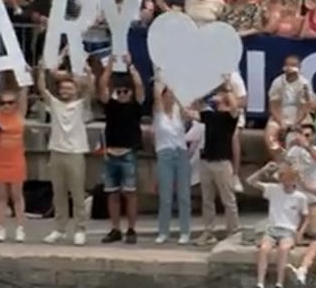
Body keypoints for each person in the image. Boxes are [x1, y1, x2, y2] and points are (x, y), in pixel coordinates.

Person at [34, 59, 93, 246]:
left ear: (75, 91)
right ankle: (59, 229)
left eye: (69, 88)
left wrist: (88, 73)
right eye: (63, 89)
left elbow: (90, 90)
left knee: (77, 194)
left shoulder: (81, 105)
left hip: (75, 153)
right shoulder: (55, 104)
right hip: (57, 152)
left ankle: (80, 229)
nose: (65, 91)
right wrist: (42, 71)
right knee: (58, 193)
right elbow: (42, 89)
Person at [98, 55, 146, 244]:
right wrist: (108, 67)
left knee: (131, 194)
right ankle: (115, 228)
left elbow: (141, 87)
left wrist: (131, 66)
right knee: (112, 193)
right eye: (120, 91)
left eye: (126, 91)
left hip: (128, 153)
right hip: (111, 153)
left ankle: (132, 229)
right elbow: (102, 87)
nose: (123, 94)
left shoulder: (135, 106)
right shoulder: (110, 106)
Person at [246, 162, 309, 288]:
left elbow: (305, 218)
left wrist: (300, 233)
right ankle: (260, 284)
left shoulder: (300, 197)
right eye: (283, 178)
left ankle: (279, 284)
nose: (285, 181)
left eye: (288, 178)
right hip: (272, 229)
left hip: (288, 230)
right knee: (264, 249)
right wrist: (263, 169)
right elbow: (250, 181)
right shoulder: (273, 189)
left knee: (283, 249)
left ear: (294, 180)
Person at [152, 79, 198, 245]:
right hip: (164, 154)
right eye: (167, 95)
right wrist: (161, 79)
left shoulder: (180, 113)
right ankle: (163, 231)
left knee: (184, 195)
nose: (169, 97)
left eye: (172, 95)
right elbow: (156, 96)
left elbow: (189, 111)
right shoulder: (158, 114)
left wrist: (178, 96)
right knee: (165, 196)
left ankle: (185, 231)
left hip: (181, 153)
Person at [197, 78, 242, 243]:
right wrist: (204, 92)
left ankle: (234, 231)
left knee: (228, 199)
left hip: (223, 161)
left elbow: (235, 108)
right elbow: (194, 108)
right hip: (206, 161)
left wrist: (227, 89)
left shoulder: (230, 118)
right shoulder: (209, 115)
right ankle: (209, 231)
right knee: (207, 200)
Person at [0, 79, 27, 243]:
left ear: (16, 103)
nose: (6, 106)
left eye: (10, 102)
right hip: (0, 159)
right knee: (1, 196)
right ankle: (1, 228)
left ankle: (20, 228)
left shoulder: (20, 114)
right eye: (3, 102)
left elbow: (24, 92)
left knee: (17, 195)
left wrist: (23, 76)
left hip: (16, 159)